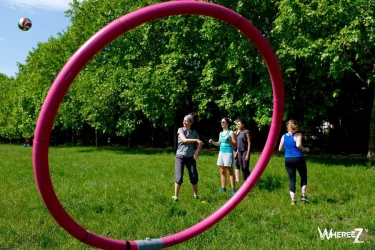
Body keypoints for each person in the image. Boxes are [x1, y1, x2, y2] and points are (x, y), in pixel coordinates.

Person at [278, 119, 310, 205]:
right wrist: (305, 149)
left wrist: (288, 149)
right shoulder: (298, 134)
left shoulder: (283, 136)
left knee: (292, 180)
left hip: (288, 159)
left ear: (287, 127)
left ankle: (293, 200)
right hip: (298, 158)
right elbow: (298, 145)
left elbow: (280, 149)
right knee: (303, 177)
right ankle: (303, 196)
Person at [173, 113, 203, 202]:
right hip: (180, 157)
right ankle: (176, 197)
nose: (184, 122)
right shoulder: (180, 130)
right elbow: (184, 140)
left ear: (191, 123)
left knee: (194, 176)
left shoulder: (194, 133)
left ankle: (196, 195)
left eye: (186, 121)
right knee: (179, 177)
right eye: (184, 120)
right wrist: (195, 140)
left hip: (190, 158)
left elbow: (200, 143)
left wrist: (196, 152)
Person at [209, 117, 237, 195]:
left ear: (227, 123)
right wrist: (213, 142)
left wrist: (229, 140)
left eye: (223, 122)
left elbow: (235, 144)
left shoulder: (231, 132)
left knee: (230, 171)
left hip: (228, 153)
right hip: (221, 152)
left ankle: (233, 189)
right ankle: (223, 188)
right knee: (222, 171)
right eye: (221, 122)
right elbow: (219, 143)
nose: (222, 123)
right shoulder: (220, 133)